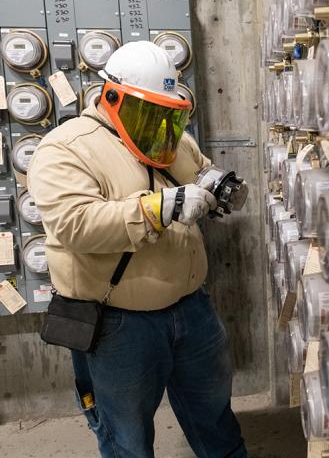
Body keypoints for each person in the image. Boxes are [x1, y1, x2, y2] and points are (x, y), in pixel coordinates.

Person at [27, 41, 248, 458]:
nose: (161, 123)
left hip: (192, 309)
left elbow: (197, 170)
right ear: (111, 96)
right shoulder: (65, 147)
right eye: (150, 110)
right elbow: (74, 225)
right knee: (127, 438)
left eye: (169, 111)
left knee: (215, 418)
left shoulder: (170, 135)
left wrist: (213, 186)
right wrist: (157, 209)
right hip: (119, 325)